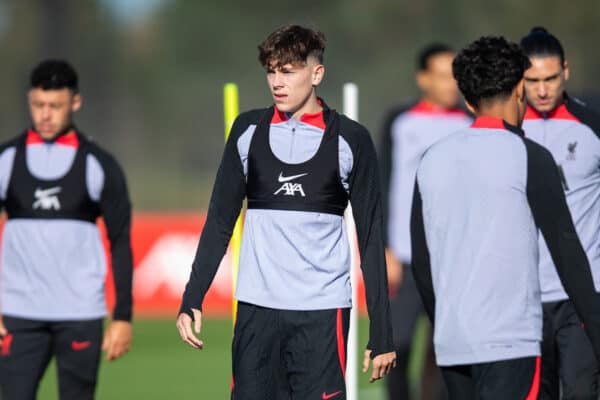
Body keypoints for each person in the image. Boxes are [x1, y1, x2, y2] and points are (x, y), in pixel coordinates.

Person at [176, 24, 396, 399]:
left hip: (322, 316)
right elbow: (218, 221)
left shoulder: (351, 140)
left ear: (316, 74)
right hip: (256, 315)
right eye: (271, 71)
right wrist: (192, 297)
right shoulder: (246, 131)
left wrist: (382, 334)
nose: (277, 81)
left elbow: (372, 237)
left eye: (288, 71)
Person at [410, 36, 600, 399]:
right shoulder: (530, 156)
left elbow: (422, 262)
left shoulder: (431, 159)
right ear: (519, 90)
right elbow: (569, 256)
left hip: (453, 343)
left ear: (466, 100)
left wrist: (443, 326)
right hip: (511, 343)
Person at [0, 60, 134, 400]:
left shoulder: (99, 165)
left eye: (55, 106)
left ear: (75, 102)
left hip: (80, 314)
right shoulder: (6, 160)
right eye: (38, 105)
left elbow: (120, 242)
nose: (45, 115)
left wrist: (122, 317)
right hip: (18, 314)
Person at [379, 43, 471, 400]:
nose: (451, 83)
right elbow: (382, 184)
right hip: (404, 257)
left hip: (453, 261)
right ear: (423, 78)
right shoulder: (400, 122)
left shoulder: (471, 122)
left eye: (456, 75)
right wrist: (384, 248)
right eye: (442, 74)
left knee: (448, 352)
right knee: (396, 346)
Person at [520, 27, 600, 400]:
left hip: (583, 292)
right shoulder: (508, 130)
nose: (542, 90)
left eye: (550, 78)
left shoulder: (592, 126)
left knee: (582, 391)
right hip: (523, 293)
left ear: (565, 70)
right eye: (532, 80)